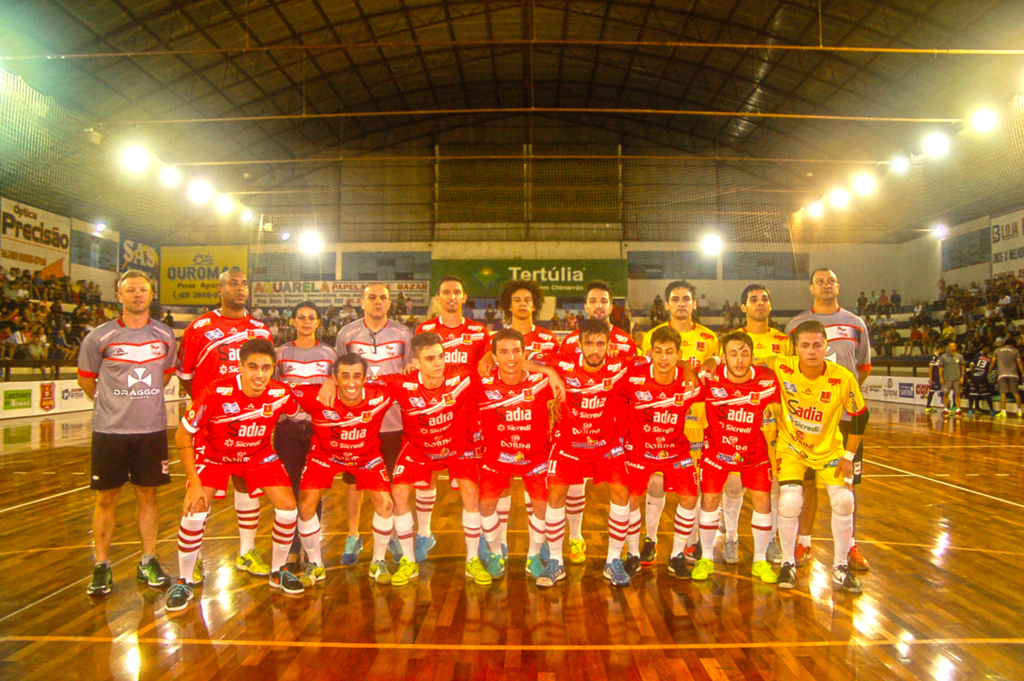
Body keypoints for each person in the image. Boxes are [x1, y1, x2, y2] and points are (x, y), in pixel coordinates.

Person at [164, 339, 305, 612]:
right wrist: (194, 483)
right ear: (240, 367)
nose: (259, 374)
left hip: (257, 454)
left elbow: (301, 411)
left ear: (273, 369)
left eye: (266, 368)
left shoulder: (280, 393)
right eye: (252, 367)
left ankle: (278, 570)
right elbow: (182, 435)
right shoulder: (216, 392)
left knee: (288, 508)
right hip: (214, 455)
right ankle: (183, 579)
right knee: (194, 510)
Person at [78, 270, 177, 596]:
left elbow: (163, 377)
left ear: (151, 295)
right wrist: (115, 406)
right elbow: (87, 380)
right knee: (106, 498)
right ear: (118, 296)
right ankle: (101, 566)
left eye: (143, 290)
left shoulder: (165, 335)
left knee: (148, 496)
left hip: (150, 431)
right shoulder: (99, 337)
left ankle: (148, 559)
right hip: (110, 431)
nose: (137, 295)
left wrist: (140, 403)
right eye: (130, 290)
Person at [174, 267, 273, 583]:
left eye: (244, 284)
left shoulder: (260, 329)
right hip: (210, 429)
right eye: (233, 283)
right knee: (200, 493)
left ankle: (247, 552)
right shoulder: (199, 327)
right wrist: (210, 408)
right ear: (219, 289)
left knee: (247, 486)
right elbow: (186, 376)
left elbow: (268, 377)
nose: (240, 289)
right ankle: (196, 559)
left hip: (249, 426)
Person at [535, 319, 644, 588]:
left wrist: (691, 366)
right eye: (589, 343)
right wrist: (550, 373)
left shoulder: (620, 365)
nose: (595, 350)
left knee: (622, 493)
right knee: (556, 495)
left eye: (600, 344)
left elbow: (653, 361)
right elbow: (525, 361)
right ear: (579, 344)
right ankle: (556, 562)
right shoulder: (563, 362)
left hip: (606, 444)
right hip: (569, 444)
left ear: (608, 345)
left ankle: (613, 561)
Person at [785, 268, 871, 572]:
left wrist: (842, 399)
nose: (826, 285)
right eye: (820, 281)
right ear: (811, 288)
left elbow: (863, 367)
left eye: (831, 280)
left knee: (846, 485)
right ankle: (803, 542)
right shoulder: (795, 324)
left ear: (839, 285)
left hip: (845, 418)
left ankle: (849, 548)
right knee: (806, 485)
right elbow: (788, 369)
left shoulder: (856, 324)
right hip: (807, 423)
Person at [774, 320, 868, 594]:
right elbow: (741, 358)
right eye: (805, 346)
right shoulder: (781, 366)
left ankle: (840, 567)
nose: (812, 351)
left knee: (844, 500)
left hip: (829, 450)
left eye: (817, 345)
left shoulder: (842, 377)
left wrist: (849, 455)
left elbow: (861, 416)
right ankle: (788, 562)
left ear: (826, 346)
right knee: (790, 502)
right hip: (791, 448)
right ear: (796, 348)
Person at [290, 354, 396, 585]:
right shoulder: (318, 395)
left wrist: (414, 365)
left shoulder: (381, 394)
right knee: (306, 504)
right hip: (325, 456)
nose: (351, 383)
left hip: (366, 457)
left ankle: (378, 561)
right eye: (344, 376)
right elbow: (279, 388)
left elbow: (411, 380)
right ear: (335, 378)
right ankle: (315, 563)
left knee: (386, 505)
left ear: (365, 378)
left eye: (357, 376)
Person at [556, 281, 638, 566]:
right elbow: (560, 379)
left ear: (611, 306)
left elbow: (635, 381)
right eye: (593, 301)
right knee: (575, 485)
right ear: (586, 306)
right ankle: (576, 538)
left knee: (622, 488)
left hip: (613, 428)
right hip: (577, 428)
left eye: (604, 300)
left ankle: (622, 546)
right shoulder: (568, 342)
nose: (599, 305)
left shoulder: (626, 341)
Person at [639, 281, 719, 567]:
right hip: (661, 419)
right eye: (676, 299)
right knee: (656, 484)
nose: (682, 303)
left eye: (687, 299)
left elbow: (713, 372)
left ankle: (689, 543)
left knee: (693, 487)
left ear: (694, 304)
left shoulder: (710, 338)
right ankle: (650, 539)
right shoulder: (650, 336)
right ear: (667, 304)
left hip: (697, 419)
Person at [335, 283, 413, 561]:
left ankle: (391, 535)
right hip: (358, 423)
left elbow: (409, 374)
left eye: (383, 298)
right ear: (362, 302)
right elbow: (339, 375)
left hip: (394, 422)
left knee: (392, 481)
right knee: (354, 483)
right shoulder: (347, 333)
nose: (377, 302)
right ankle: (353, 536)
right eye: (372, 297)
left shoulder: (404, 333)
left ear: (390, 303)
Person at [412, 276, 490, 556]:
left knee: (471, 482)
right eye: (446, 292)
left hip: (466, 416)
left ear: (464, 296)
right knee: (426, 476)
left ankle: (478, 537)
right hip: (432, 415)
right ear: (438, 298)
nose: (452, 297)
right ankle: (423, 534)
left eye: (457, 292)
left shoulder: (479, 331)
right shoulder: (425, 329)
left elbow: (487, 371)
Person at [696, 331, 781, 584]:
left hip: (754, 453)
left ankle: (760, 560)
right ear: (724, 357)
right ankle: (707, 557)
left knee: (762, 500)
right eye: (733, 354)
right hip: (716, 452)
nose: (739, 360)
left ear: (753, 357)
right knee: (709, 499)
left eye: (745, 354)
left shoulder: (768, 379)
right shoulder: (710, 378)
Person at [717, 284, 792, 566]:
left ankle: (771, 539)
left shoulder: (784, 341)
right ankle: (733, 538)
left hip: (773, 425)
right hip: (739, 425)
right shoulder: (732, 339)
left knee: (771, 488)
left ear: (770, 306)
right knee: (734, 486)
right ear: (743, 307)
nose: (760, 303)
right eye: (753, 300)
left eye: (765, 299)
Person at [620, 325, 702, 579]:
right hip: (639, 450)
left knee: (690, 497)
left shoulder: (690, 382)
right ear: (650, 353)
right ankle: (633, 553)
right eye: (659, 352)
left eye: (670, 352)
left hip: (675, 450)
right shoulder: (633, 376)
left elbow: (720, 374)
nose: (664, 358)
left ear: (679, 355)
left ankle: (677, 554)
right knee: (630, 499)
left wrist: (695, 368)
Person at [474, 329, 556, 579]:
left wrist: (549, 371)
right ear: (494, 356)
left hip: (536, 456)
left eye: (516, 351)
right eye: (503, 352)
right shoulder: (481, 383)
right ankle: (496, 552)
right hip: (497, 457)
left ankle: (533, 555)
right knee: (485, 504)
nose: (511, 358)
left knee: (543, 506)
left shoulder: (541, 382)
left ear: (525, 353)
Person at [273, 302, 336, 576]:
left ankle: (311, 553)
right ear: (293, 321)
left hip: (317, 431)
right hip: (287, 431)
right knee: (289, 493)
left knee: (312, 493)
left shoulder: (330, 353)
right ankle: (291, 550)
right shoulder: (281, 353)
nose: (307, 321)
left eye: (312, 317)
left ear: (318, 322)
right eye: (302, 317)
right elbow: (272, 390)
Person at [993, 337, 1024, 418]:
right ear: (1013, 344)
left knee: (1003, 393)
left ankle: (1003, 412)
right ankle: (1020, 411)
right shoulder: (1016, 351)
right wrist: (1023, 372)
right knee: (1016, 393)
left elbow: (993, 361)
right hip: (1013, 374)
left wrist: (989, 370)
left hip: (1002, 374)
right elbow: (1019, 362)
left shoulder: (997, 350)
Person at [966, 347, 996, 417]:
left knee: (973, 393)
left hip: (974, 376)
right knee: (987, 393)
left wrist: (973, 372)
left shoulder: (979, 357)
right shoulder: (990, 360)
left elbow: (971, 365)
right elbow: (991, 368)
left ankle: (970, 409)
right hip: (982, 376)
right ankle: (992, 410)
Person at [939, 341, 965, 416]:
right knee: (945, 394)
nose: (951, 347)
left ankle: (958, 409)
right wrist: (941, 378)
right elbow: (941, 367)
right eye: (950, 346)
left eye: (953, 346)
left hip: (957, 379)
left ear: (955, 347)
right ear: (948, 347)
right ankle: (946, 409)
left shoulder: (960, 356)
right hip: (947, 379)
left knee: (957, 394)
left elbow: (962, 367)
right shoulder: (943, 357)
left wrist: (962, 377)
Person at [924, 344, 946, 413]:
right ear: (940, 349)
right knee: (939, 390)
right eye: (943, 349)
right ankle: (946, 407)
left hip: (937, 376)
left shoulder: (939, 357)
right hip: (936, 376)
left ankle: (928, 406)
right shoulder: (934, 357)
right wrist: (931, 377)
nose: (944, 351)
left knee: (935, 390)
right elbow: (930, 367)